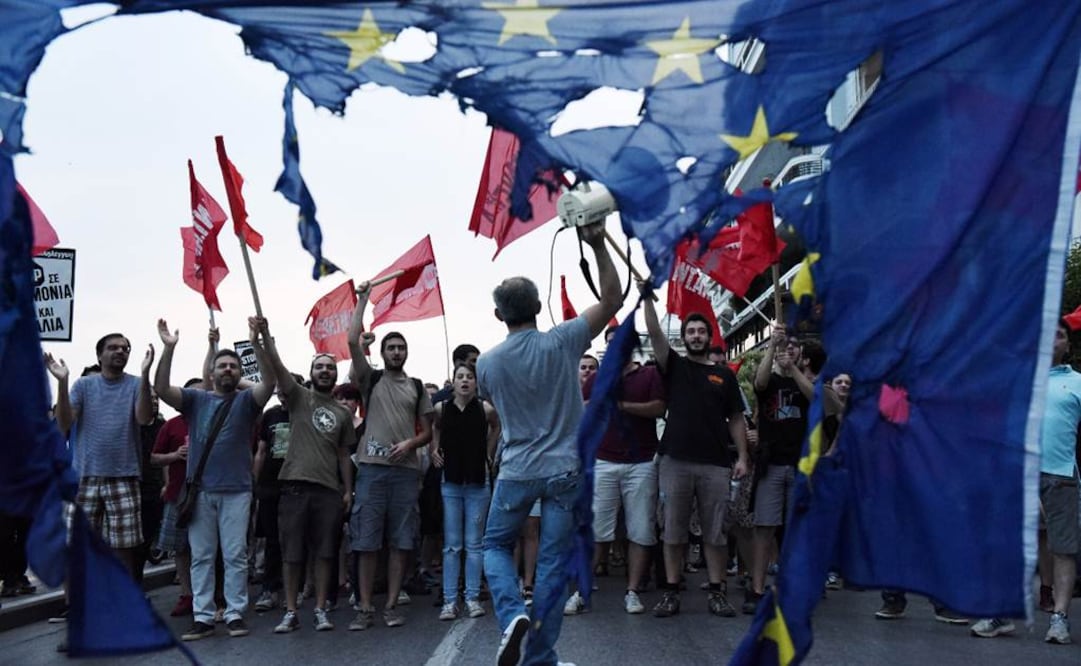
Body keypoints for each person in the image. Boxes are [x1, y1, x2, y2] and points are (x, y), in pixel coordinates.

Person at [478, 221, 621, 666]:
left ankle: (512, 617)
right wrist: (597, 243)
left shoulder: (486, 362)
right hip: (565, 471)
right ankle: (539, 657)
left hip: (517, 470)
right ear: (540, 306)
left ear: (499, 316)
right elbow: (613, 300)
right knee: (553, 567)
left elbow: (492, 408)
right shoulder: (564, 340)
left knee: (495, 547)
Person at [155, 317, 276, 641]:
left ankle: (235, 613)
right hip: (202, 493)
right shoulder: (195, 401)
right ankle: (204, 617)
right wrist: (169, 349)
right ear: (211, 372)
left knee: (235, 556)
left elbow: (270, 383)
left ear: (239, 374)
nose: (227, 370)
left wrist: (257, 343)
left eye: (232, 367)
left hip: (237, 491)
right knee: (203, 556)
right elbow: (161, 389)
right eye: (221, 366)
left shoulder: (247, 402)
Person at [643, 299, 749, 619]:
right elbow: (654, 331)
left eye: (702, 331)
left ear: (709, 337)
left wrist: (743, 455)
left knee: (715, 533)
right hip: (674, 460)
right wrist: (647, 298)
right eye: (691, 331)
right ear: (685, 338)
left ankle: (717, 592)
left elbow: (736, 419)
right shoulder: (674, 365)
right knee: (673, 531)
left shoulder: (724, 376)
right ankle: (671, 592)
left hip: (716, 464)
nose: (696, 335)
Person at [346, 285, 435, 631]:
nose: (396, 352)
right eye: (391, 348)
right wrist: (363, 299)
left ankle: (392, 604)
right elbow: (353, 341)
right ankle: (365, 607)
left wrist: (410, 445)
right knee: (366, 541)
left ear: (407, 353)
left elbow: (428, 432)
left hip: (406, 473)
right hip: (371, 471)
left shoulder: (416, 386)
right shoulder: (372, 380)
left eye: (401, 348)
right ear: (382, 353)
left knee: (401, 542)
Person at [262, 336, 356, 635]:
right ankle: (291, 611)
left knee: (325, 553)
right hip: (294, 488)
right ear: (312, 372)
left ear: (335, 374)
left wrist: (348, 490)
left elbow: (344, 455)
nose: (325, 371)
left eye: (330, 367)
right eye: (319, 367)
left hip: (328, 491)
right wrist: (265, 339)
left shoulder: (343, 413)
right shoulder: (299, 397)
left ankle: (320, 609)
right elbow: (277, 367)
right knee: (292, 554)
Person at [45, 333, 156, 578]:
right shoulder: (83, 385)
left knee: (123, 549)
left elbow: (144, 418)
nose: (120, 351)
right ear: (99, 355)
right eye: (113, 348)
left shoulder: (137, 384)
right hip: (85, 477)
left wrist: (147, 374)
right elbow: (64, 422)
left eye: (125, 348)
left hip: (124, 476)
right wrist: (62, 383)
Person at [582, 326, 666, 615]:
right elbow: (581, 409)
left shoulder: (650, 374)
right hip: (604, 461)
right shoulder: (595, 378)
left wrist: (622, 405)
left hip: (641, 462)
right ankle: (583, 590)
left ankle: (632, 592)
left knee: (641, 529)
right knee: (596, 530)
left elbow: (658, 408)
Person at [433, 362, 501, 621]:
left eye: (469, 377)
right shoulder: (442, 408)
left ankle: (472, 597)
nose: (464, 381)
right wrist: (434, 449)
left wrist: (489, 452)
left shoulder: (485, 409)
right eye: (460, 377)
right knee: (452, 545)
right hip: (450, 481)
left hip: (477, 481)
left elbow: (497, 427)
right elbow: (435, 427)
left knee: (475, 544)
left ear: (475, 382)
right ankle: (450, 600)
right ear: (453, 381)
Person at [748, 327, 811, 608]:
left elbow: (815, 398)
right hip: (771, 465)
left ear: (802, 355)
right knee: (764, 528)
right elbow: (759, 384)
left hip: (800, 465)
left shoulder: (808, 382)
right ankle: (758, 589)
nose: (789, 350)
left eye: (794, 347)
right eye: (786, 346)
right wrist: (772, 347)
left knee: (797, 531)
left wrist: (793, 370)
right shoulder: (770, 379)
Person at [251, 374, 304, 615]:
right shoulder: (270, 415)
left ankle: (297, 588)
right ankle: (269, 588)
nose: (283, 393)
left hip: (299, 484)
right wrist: (255, 481)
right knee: (272, 540)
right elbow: (261, 451)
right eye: (280, 389)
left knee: (297, 540)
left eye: (288, 388)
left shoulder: (305, 412)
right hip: (271, 486)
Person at [151, 378, 203, 618]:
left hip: (209, 493)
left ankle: (209, 593)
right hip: (178, 495)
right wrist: (175, 455)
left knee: (207, 549)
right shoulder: (170, 425)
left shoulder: (215, 422)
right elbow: (154, 458)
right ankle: (186, 593)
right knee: (180, 548)